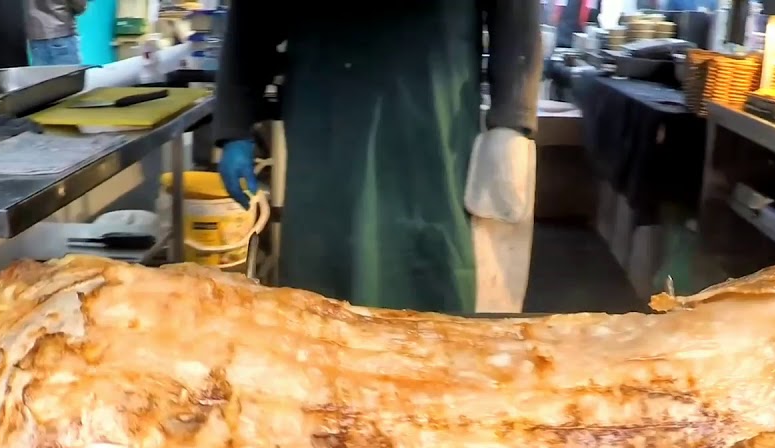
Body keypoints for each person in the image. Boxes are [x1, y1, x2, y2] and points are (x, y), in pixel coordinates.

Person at [215, 3, 542, 315]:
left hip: (432, 131)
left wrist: (512, 118)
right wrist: (235, 122)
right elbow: (251, 19)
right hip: (325, 126)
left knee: (432, 287)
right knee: (320, 295)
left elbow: (516, 16)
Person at [24, 0, 85, 66]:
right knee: (69, 72)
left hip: (36, 36)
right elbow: (79, 5)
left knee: (42, 72)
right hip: (62, 33)